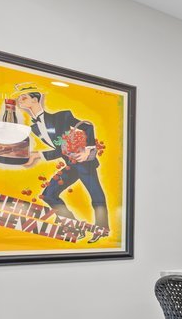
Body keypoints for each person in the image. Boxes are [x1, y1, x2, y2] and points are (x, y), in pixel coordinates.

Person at [13, 82, 110, 244]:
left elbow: (87, 126)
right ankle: (74, 227)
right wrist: (38, 155)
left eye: (23, 97)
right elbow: (61, 148)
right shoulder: (35, 127)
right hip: (71, 164)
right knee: (49, 194)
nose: (20, 101)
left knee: (96, 196)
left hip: (84, 162)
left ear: (35, 100)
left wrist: (89, 149)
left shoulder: (62, 116)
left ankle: (102, 229)